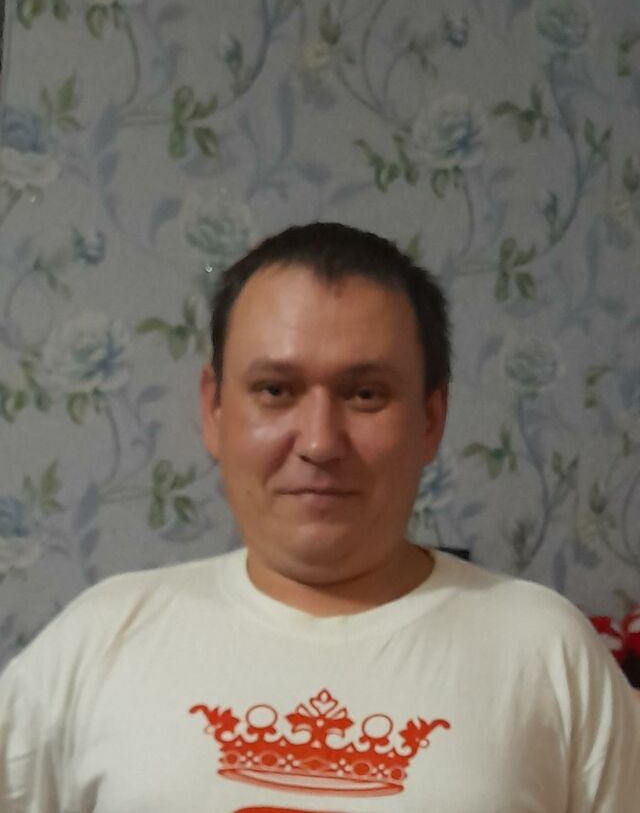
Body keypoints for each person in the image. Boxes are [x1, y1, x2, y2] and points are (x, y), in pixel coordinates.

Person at [0, 222, 638, 812]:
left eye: (366, 394)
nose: (319, 442)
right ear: (214, 410)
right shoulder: (97, 641)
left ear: (430, 419)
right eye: (275, 390)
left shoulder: (547, 652)